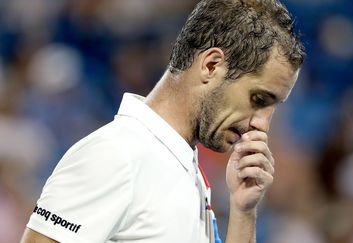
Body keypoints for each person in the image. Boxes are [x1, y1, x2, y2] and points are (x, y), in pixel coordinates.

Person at [20, 0, 305, 242]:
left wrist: (243, 212)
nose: (262, 125)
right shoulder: (116, 155)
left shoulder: (183, 167)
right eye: (258, 100)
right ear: (211, 65)